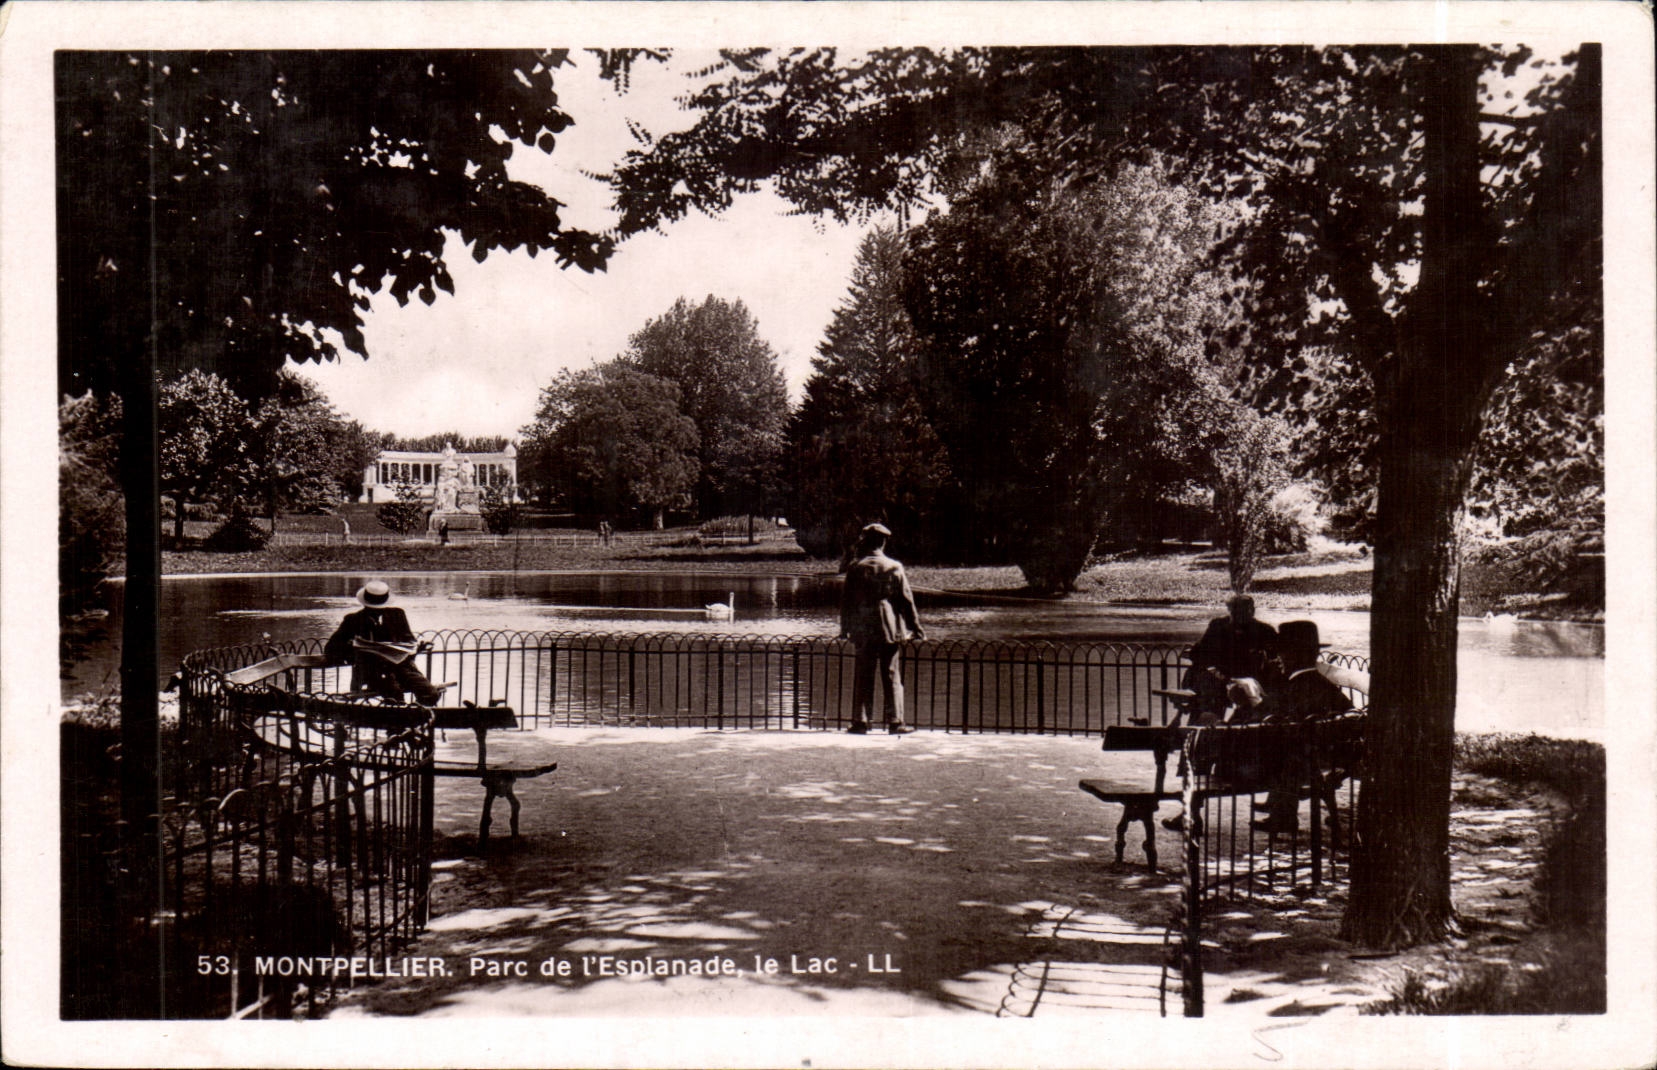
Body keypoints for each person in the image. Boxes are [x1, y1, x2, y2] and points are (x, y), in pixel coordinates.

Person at [1251, 620, 1353, 834]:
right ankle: (1281, 812)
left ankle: (1283, 816)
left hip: (1298, 766)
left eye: (1281, 653)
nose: (1277, 659)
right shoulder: (1324, 685)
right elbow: (1349, 714)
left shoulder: (1291, 689)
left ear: (1293, 656)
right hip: (1327, 761)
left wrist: (1251, 704)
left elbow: (1272, 724)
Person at [838, 523, 925, 735]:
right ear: (884, 542)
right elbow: (906, 601)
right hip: (889, 627)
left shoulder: (855, 567)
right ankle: (895, 721)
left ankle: (860, 721)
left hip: (862, 626)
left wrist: (845, 629)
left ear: (866, 542)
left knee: (863, 675)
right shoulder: (894, 567)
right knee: (892, 674)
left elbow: (847, 603)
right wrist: (916, 628)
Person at [323, 580, 444, 705]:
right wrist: (355, 650)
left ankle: (421, 716)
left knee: (430, 692)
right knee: (394, 695)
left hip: (402, 667)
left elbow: (409, 640)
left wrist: (415, 647)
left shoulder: (397, 615)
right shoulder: (353, 620)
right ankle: (402, 720)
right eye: (372, 609)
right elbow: (331, 648)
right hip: (373, 671)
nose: (377, 611)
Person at [1183, 594, 1280, 721]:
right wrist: (1215, 671)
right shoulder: (1218, 626)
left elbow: (1277, 657)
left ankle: (1237, 726)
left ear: (1252, 611)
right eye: (1235, 612)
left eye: (1244, 612)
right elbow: (1199, 653)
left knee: (1248, 701)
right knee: (1208, 695)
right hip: (1219, 679)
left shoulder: (1264, 630)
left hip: (1249, 681)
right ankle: (1203, 728)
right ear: (1230, 611)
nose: (1239, 617)